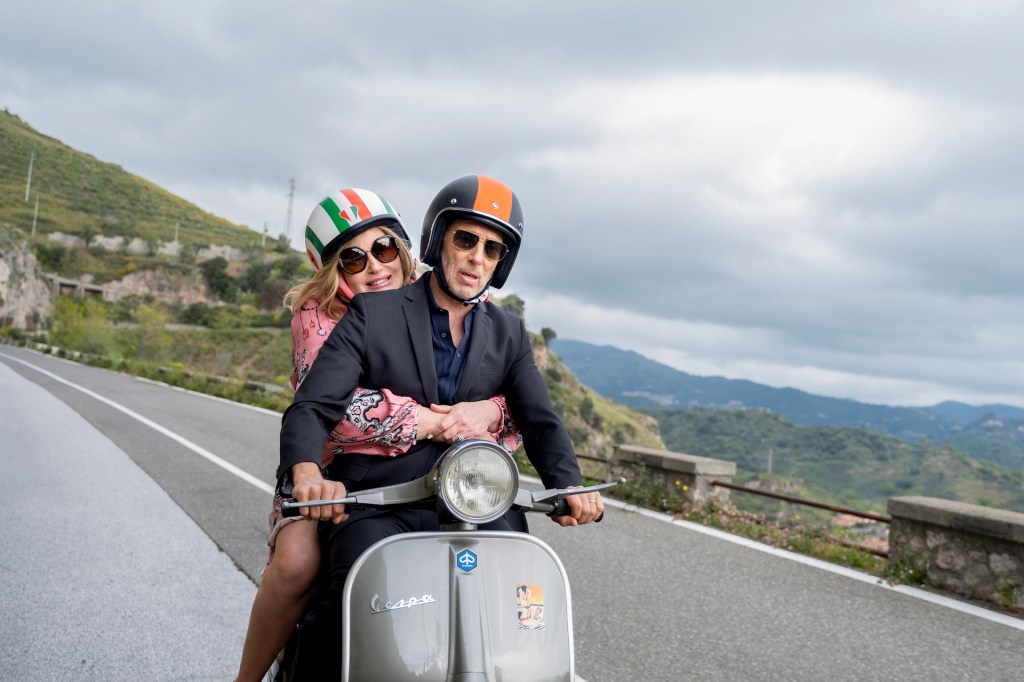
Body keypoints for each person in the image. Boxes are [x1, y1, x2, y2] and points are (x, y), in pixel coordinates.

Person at [278, 174, 604, 679]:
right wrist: (304, 470)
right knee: (345, 608)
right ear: (436, 240)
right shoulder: (372, 312)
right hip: (379, 503)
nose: (477, 257)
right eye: (466, 239)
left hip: (478, 504)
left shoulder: (509, 332)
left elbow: (540, 419)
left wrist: (569, 484)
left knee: (520, 619)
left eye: (492, 249)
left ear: (501, 264)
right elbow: (313, 406)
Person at [233, 187, 521, 682]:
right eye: (353, 258)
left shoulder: (453, 297)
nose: (375, 266)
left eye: (385, 248)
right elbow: (336, 410)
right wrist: (433, 420)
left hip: (442, 478)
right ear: (332, 272)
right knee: (299, 565)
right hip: (330, 473)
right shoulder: (316, 316)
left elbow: (515, 394)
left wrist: (486, 410)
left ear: (406, 247)